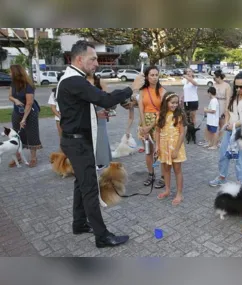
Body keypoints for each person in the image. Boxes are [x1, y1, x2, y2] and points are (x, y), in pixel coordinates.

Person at [56, 40, 144, 248]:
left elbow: (91, 104)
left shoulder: (72, 79)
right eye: (93, 59)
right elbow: (104, 99)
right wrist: (132, 88)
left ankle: (79, 223)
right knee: (90, 190)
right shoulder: (75, 81)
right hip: (78, 144)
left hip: (75, 141)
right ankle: (102, 236)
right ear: (79, 59)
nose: (96, 63)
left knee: (81, 183)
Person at [209, 73, 242, 187]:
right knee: (223, 154)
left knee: (240, 159)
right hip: (229, 130)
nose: (239, 89)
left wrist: (234, 125)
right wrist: (228, 123)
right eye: (236, 86)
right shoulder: (235, 96)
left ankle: (241, 183)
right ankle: (222, 177)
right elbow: (228, 111)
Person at [154, 92, 187, 206]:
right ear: (166, 102)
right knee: (166, 169)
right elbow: (157, 131)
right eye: (172, 102)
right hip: (164, 147)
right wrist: (157, 146)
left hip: (175, 146)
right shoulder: (160, 115)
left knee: (177, 170)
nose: (174, 105)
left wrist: (176, 149)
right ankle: (167, 190)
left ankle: (179, 193)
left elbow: (182, 134)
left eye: (176, 103)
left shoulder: (179, 115)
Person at [8, 64, 42, 168]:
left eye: (11, 72)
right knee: (16, 134)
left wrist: (23, 119)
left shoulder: (28, 85)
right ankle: (18, 157)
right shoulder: (13, 83)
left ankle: (33, 158)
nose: (9, 74)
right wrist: (15, 100)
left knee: (32, 134)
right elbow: (9, 96)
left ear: (16, 73)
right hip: (17, 112)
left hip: (30, 113)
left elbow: (29, 103)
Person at [138, 66, 167, 188]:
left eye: (156, 75)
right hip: (145, 124)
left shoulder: (162, 91)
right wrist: (144, 127)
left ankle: (164, 177)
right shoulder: (142, 91)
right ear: (146, 76)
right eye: (152, 75)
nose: (154, 77)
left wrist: (150, 126)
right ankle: (151, 174)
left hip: (158, 123)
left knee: (160, 151)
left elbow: (163, 111)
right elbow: (141, 110)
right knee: (148, 151)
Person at [86, 74, 112, 169]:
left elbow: (106, 98)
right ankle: (92, 160)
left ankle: (102, 160)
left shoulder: (100, 81)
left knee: (101, 135)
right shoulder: (81, 81)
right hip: (86, 111)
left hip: (99, 110)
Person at [213, 69, 231, 141]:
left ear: (219, 77)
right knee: (214, 123)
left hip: (223, 104)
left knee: (222, 124)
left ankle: (222, 140)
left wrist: (226, 109)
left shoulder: (227, 86)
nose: (213, 78)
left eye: (215, 77)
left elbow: (228, 98)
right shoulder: (214, 85)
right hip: (215, 104)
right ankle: (214, 139)